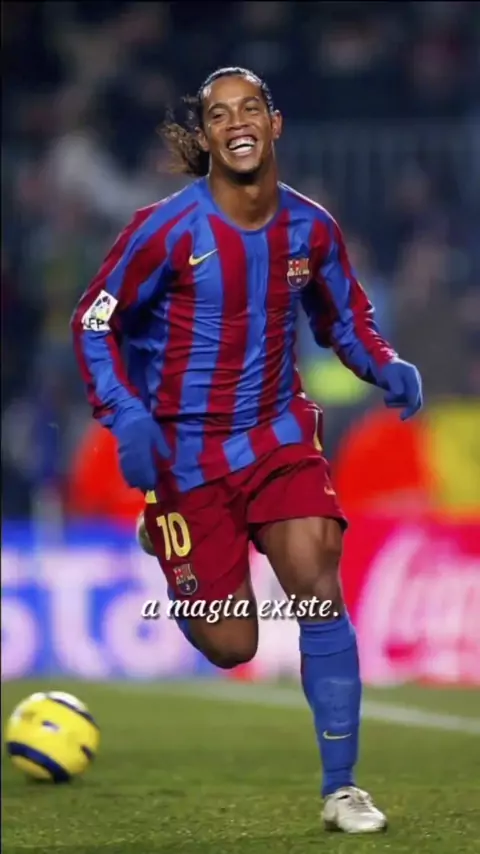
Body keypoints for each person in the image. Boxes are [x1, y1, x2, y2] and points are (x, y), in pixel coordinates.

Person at [71, 67, 422, 833]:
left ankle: (342, 789)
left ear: (274, 122)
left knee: (317, 580)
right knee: (232, 644)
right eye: (220, 113)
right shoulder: (163, 230)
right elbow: (93, 322)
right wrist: (125, 414)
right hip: (186, 460)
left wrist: (383, 363)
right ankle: (165, 535)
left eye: (250, 107)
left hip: (277, 435)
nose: (238, 122)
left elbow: (344, 318)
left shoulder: (311, 228)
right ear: (206, 136)